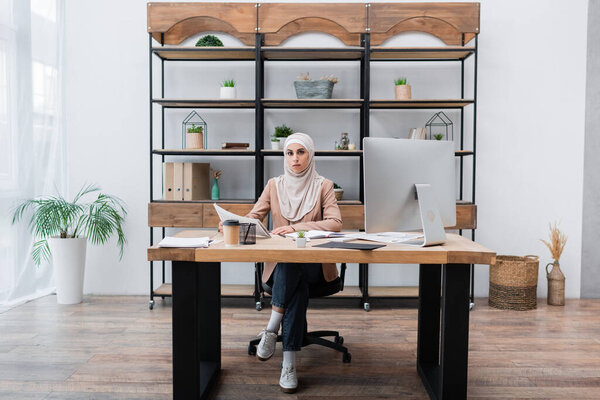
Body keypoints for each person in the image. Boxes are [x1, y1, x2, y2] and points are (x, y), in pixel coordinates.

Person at [236, 132, 342, 393]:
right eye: (289, 153)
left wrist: (295, 229)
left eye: (301, 152)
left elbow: (336, 224)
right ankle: (288, 364)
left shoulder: (323, 186)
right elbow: (254, 217)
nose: (295, 158)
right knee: (292, 271)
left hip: (316, 267)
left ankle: (272, 327)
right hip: (281, 269)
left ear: (310, 154)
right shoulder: (274, 185)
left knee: (293, 264)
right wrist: (233, 222)